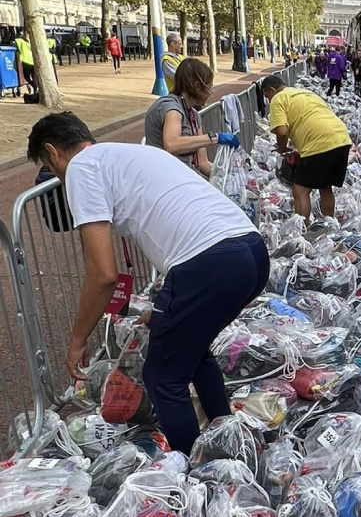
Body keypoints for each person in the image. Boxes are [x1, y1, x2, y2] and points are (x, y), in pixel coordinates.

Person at [27, 112, 266, 455]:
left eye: (52, 170)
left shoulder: (80, 168)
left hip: (209, 261)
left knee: (163, 377)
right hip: (250, 251)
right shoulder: (129, 154)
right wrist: (165, 309)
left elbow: (103, 273)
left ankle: (194, 471)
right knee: (191, 350)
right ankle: (224, 441)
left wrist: (77, 339)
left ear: (53, 153)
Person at [260, 75, 353, 221]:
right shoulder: (306, 93)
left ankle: (301, 233)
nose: (269, 100)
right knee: (325, 187)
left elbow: (282, 132)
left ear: (271, 90)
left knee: (300, 190)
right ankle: (329, 226)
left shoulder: (278, 99)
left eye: (267, 96)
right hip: (341, 138)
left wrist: (282, 149)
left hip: (318, 142)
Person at [145, 58, 239, 176]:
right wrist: (215, 138)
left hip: (183, 176)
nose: (210, 92)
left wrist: (228, 176)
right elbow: (172, 144)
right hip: (163, 177)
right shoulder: (171, 108)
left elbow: (202, 163)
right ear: (197, 86)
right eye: (209, 87)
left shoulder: (193, 115)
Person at [14, 28, 35, 94]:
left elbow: (15, 45)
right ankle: (36, 90)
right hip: (33, 61)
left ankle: (34, 86)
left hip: (26, 61)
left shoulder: (20, 41)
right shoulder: (32, 42)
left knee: (26, 77)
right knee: (34, 77)